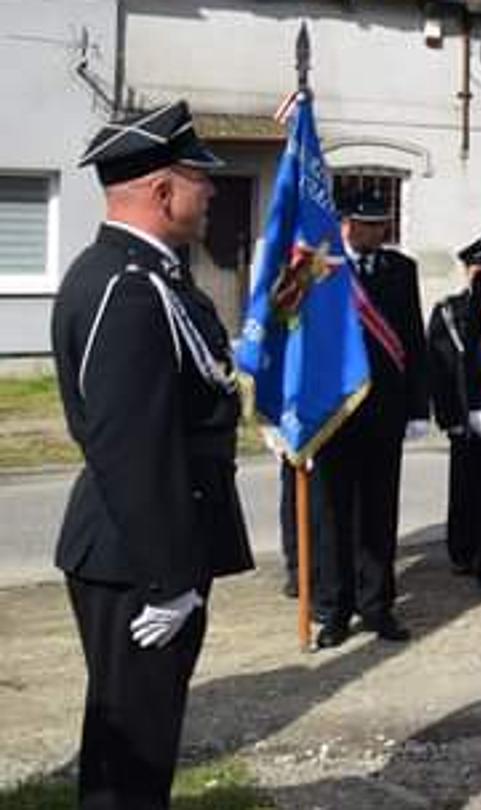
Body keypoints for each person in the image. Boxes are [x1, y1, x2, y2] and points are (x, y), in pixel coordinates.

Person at [52, 100, 253, 810]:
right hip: (138, 558)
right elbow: (130, 444)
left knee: (138, 741)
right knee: (132, 749)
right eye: (201, 180)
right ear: (164, 191)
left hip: (149, 548)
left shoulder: (150, 277)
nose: (212, 193)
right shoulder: (126, 288)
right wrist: (169, 577)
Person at [302, 189, 429, 647]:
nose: (380, 231)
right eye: (369, 224)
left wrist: (418, 407)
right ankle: (335, 609)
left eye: (382, 223)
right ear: (345, 224)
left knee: (379, 513)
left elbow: (412, 340)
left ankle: (378, 606)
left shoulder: (401, 270)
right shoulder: (321, 268)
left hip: (384, 412)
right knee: (333, 514)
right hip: (335, 415)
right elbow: (303, 341)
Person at [427, 235, 481, 598]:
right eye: (479, 269)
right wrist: (449, 416)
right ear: (466, 270)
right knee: (464, 485)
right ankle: (462, 549)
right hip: (463, 411)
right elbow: (438, 365)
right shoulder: (448, 309)